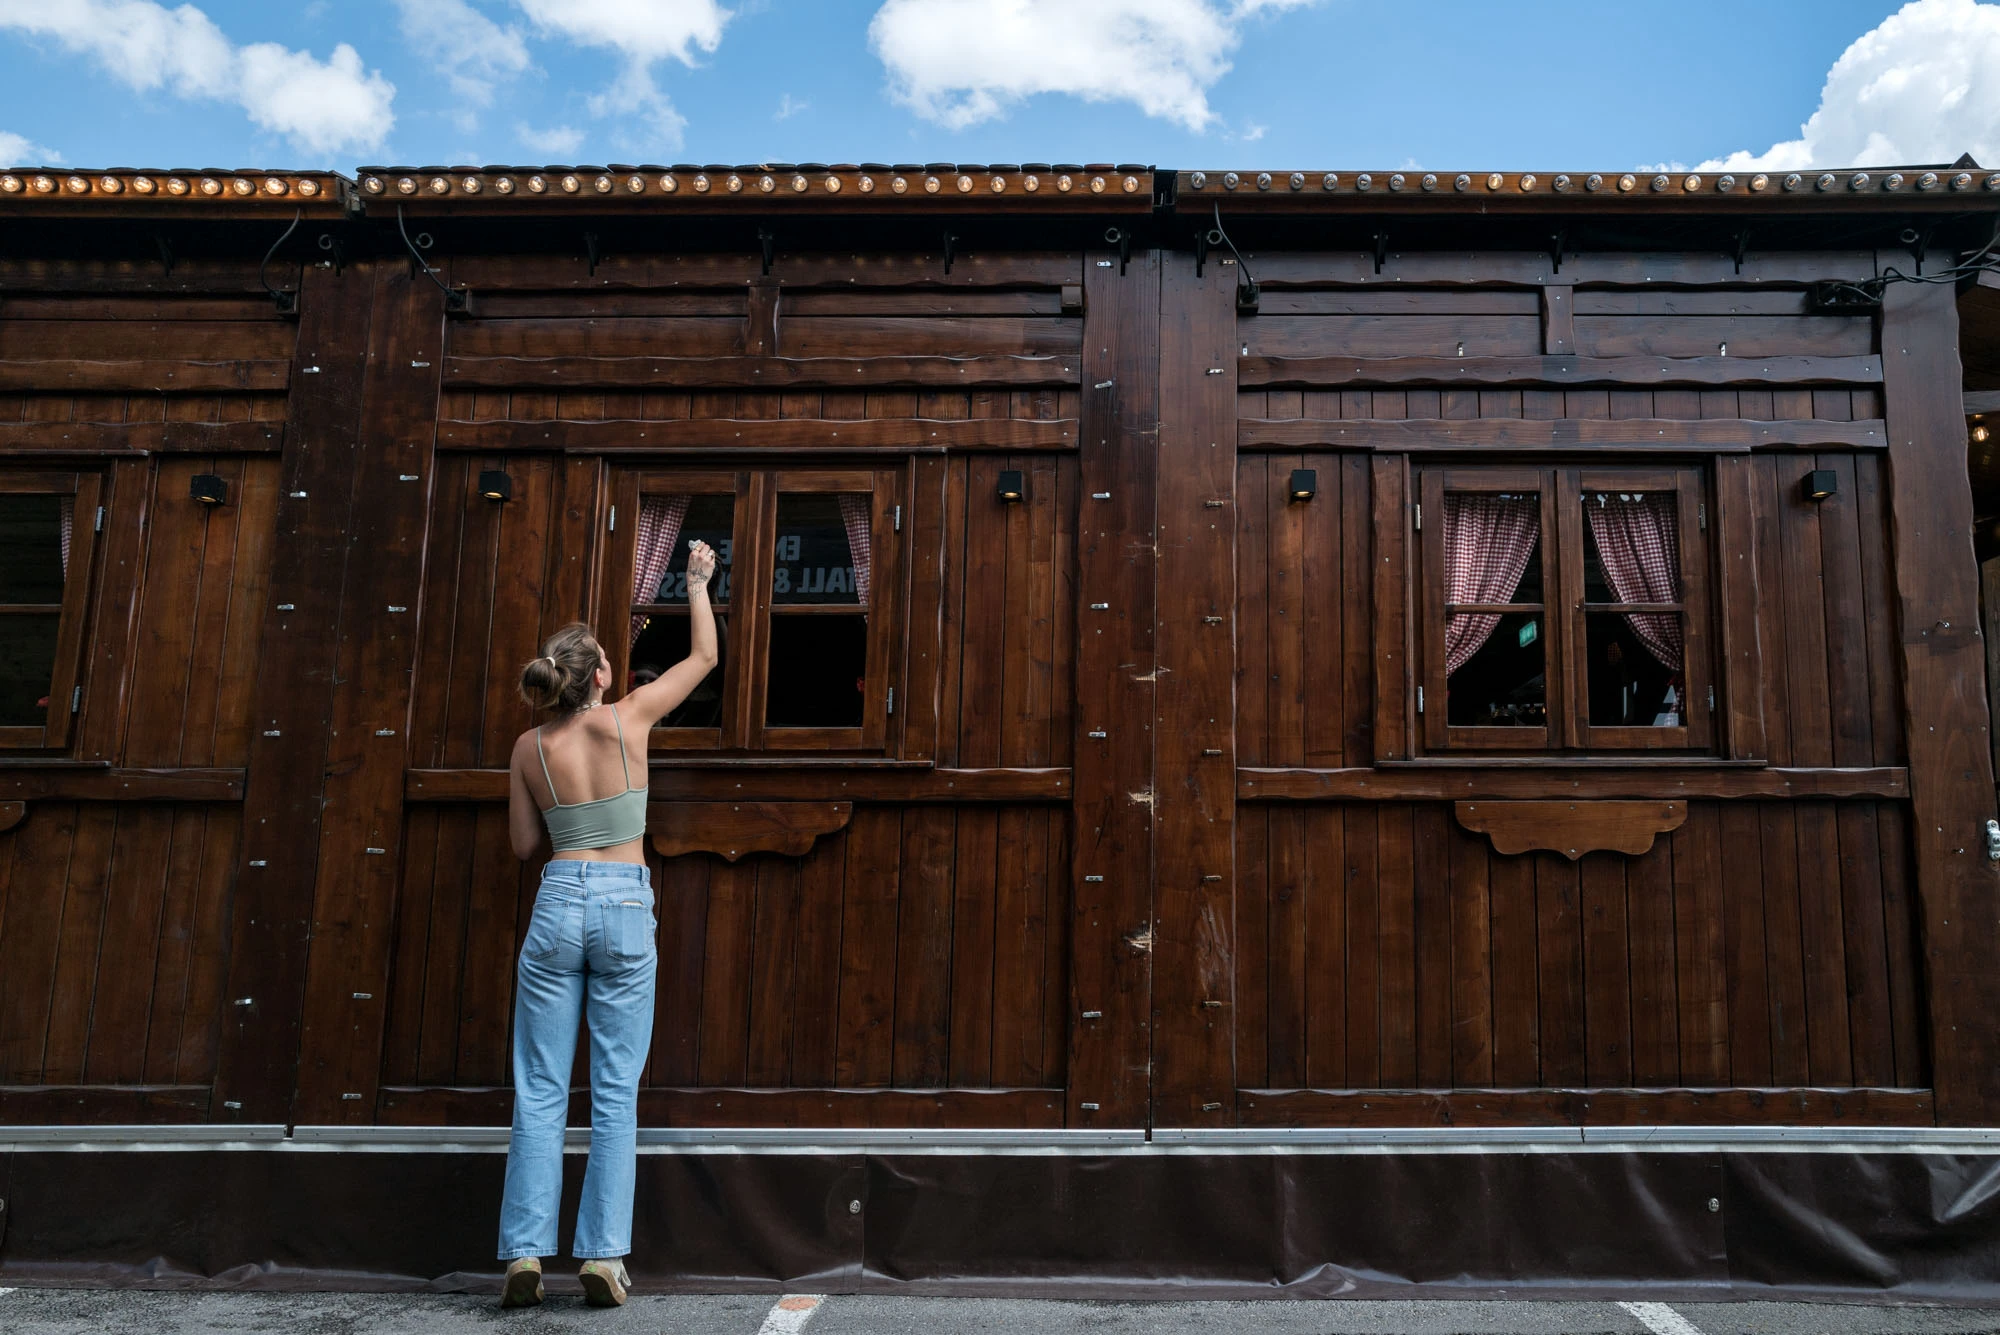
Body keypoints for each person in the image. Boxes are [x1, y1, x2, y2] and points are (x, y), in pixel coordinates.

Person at [497, 539, 718, 1308]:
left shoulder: (529, 746)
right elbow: (703, 658)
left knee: (540, 1089)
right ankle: (602, 1258)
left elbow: (525, 845)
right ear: (601, 674)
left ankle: (524, 1253)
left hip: (557, 899)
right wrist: (695, 583)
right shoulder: (631, 718)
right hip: (625, 898)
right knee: (614, 1091)